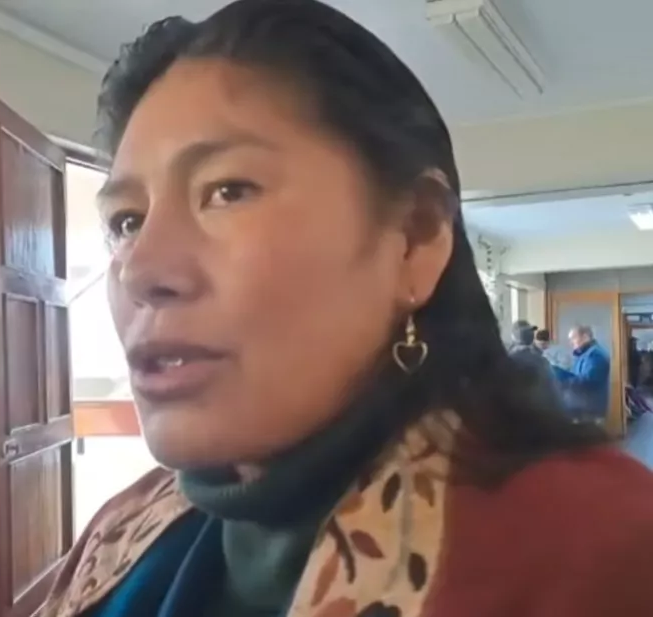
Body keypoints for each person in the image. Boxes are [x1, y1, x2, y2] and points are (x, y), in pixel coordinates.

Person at [40, 2, 653, 616]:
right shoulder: (125, 528)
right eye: (127, 221)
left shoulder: (604, 550)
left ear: (413, 236)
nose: (140, 271)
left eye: (228, 191)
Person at [553, 325, 611, 423]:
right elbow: (577, 377)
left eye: (573, 338)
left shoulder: (595, 355)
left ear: (585, 337)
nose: (571, 343)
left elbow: (589, 382)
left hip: (588, 412)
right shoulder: (583, 355)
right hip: (581, 409)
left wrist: (560, 375)